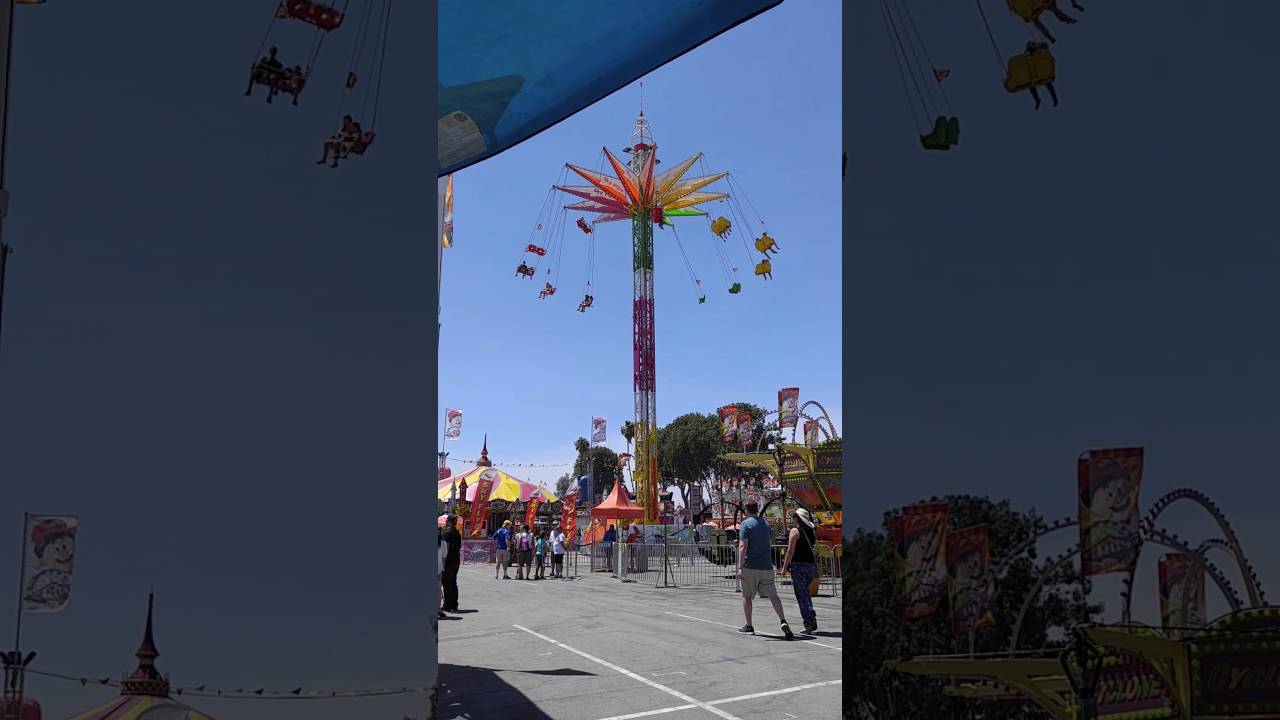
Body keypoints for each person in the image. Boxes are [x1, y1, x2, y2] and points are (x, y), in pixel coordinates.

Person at [737, 501, 793, 639]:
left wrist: (740, 566)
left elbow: (743, 546)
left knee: (747, 596)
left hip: (750, 566)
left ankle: (749, 626)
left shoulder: (745, 524)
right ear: (757, 509)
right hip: (766, 566)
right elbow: (771, 540)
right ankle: (783, 620)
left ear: (746, 510)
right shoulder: (765, 524)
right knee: (773, 595)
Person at [780, 508, 819, 634]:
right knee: (806, 594)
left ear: (797, 518)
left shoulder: (795, 532)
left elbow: (790, 551)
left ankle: (808, 622)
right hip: (811, 566)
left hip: (799, 567)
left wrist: (784, 568)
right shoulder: (811, 531)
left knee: (802, 596)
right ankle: (811, 616)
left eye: (794, 517)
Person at [441, 515, 462, 613]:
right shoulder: (457, 532)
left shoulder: (447, 532)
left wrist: (443, 561)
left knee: (446, 583)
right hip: (456, 561)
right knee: (453, 582)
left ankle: (448, 605)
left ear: (449, 521)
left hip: (448, 561)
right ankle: (454, 604)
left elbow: (446, 547)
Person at [437, 531, 448, 619]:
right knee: (438, 590)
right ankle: (438, 610)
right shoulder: (443, 543)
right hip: (438, 569)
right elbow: (444, 557)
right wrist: (443, 568)